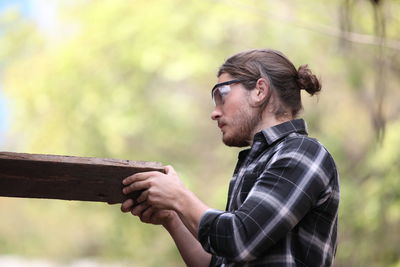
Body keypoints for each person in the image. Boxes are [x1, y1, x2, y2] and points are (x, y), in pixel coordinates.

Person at [120, 49, 339, 267]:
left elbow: (240, 239)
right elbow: (222, 262)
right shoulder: (257, 162)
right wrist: (172, 217)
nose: (214, 112)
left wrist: (179, 197)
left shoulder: (302, 152)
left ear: (259, 91)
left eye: (221, 95)